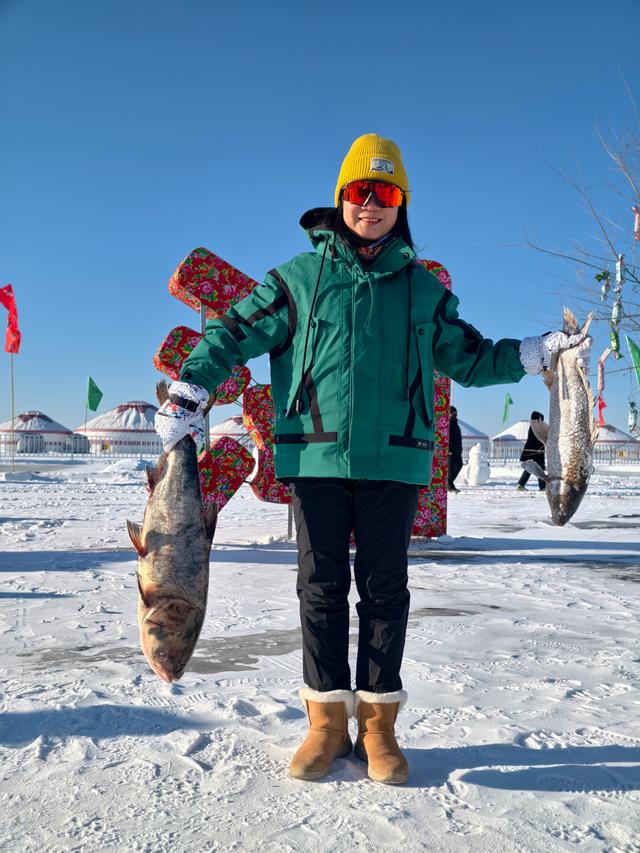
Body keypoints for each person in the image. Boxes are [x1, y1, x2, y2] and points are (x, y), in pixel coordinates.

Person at [154, 134, 587, 785]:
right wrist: (192, 384)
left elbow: (468, 357)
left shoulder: (419, 288)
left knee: (386, 593)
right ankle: (325, 723)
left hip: (397, 461)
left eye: (385, 194)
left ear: (400, 204)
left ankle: (378, 727)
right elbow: (234, 330)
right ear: (342, 198)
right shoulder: (297, 280)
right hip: (316, 462)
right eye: (361, 191)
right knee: (321, 591)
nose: (371, 205)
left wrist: (532, 351)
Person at [517, 410, 547, 491]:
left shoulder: (535, 426)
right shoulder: (535, 426)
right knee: (538, 469)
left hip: (535, 452)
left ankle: (521, 484)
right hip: (534, 452)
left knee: (531, 469)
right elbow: (541, 438)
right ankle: (542, 487)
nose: (541, 421)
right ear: (537, 418)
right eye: (540, 419)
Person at [447, 406, 463, 492]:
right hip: (451, 451)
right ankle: (450, 486)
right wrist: (449, 449)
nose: (455, 414)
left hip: (457, 450)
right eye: (453, 413)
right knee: (451, 468)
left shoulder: (455, 424)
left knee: (459, 465)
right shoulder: (448, 424)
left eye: (455, 413)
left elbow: (458, 438)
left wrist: (460, 448)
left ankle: (448, 483)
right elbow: (448, 438)